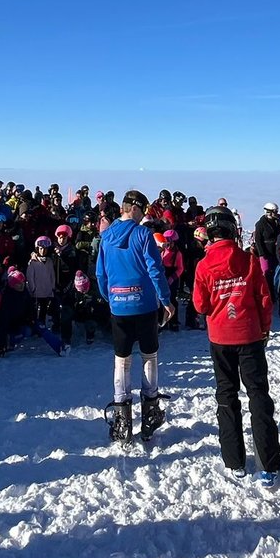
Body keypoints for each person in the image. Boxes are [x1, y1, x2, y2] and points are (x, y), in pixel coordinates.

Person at [193, 204, 280, 485]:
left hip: (220, 338)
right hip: (250, 336)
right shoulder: (250, 260)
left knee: (226, 396)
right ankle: (268, 464)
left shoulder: (204, 265)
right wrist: (264, 328)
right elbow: (264, 299)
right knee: (258, 396)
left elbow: (201, 305)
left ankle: (235, 461)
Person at [94, 190, 173, 444]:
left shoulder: (106, 237)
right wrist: (166, 300)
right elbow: (155, 269)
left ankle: (121, 421)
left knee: (121, 360)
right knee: (149, 356)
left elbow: (100, 274)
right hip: (145, 305)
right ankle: (150, 413)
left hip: (119, 306)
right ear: (136, 208)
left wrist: (111, 298)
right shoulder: (143, 234)